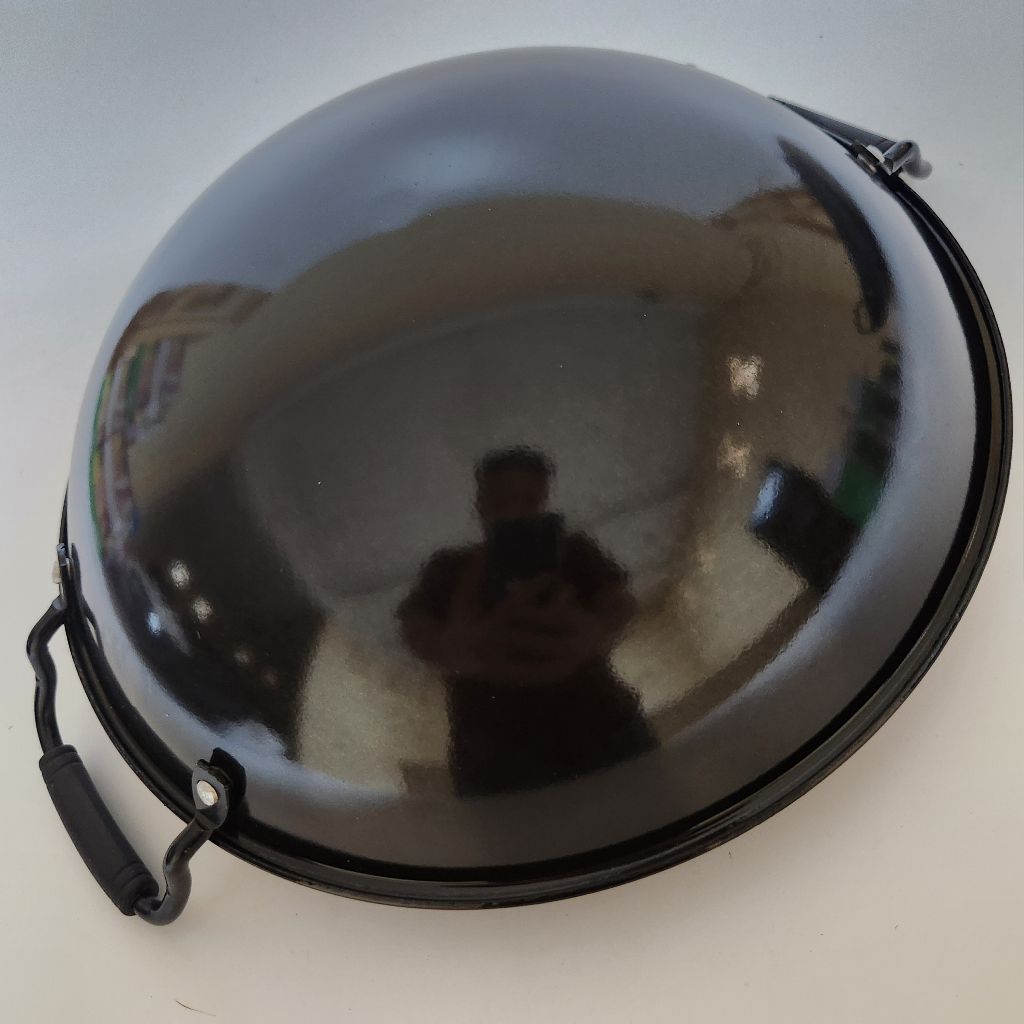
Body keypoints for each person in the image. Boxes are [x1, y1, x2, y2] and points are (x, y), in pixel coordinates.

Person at [398, 447, 655, 796]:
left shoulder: (574, 550)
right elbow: (414, 627)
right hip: (495, 754)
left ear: (544, 501)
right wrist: (450, 649)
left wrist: (594, 632)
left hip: (603, 727)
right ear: (480, 506)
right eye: (501, 501)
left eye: (528, 500)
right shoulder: (448, 567)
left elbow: (621, 603)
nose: (514, 512)